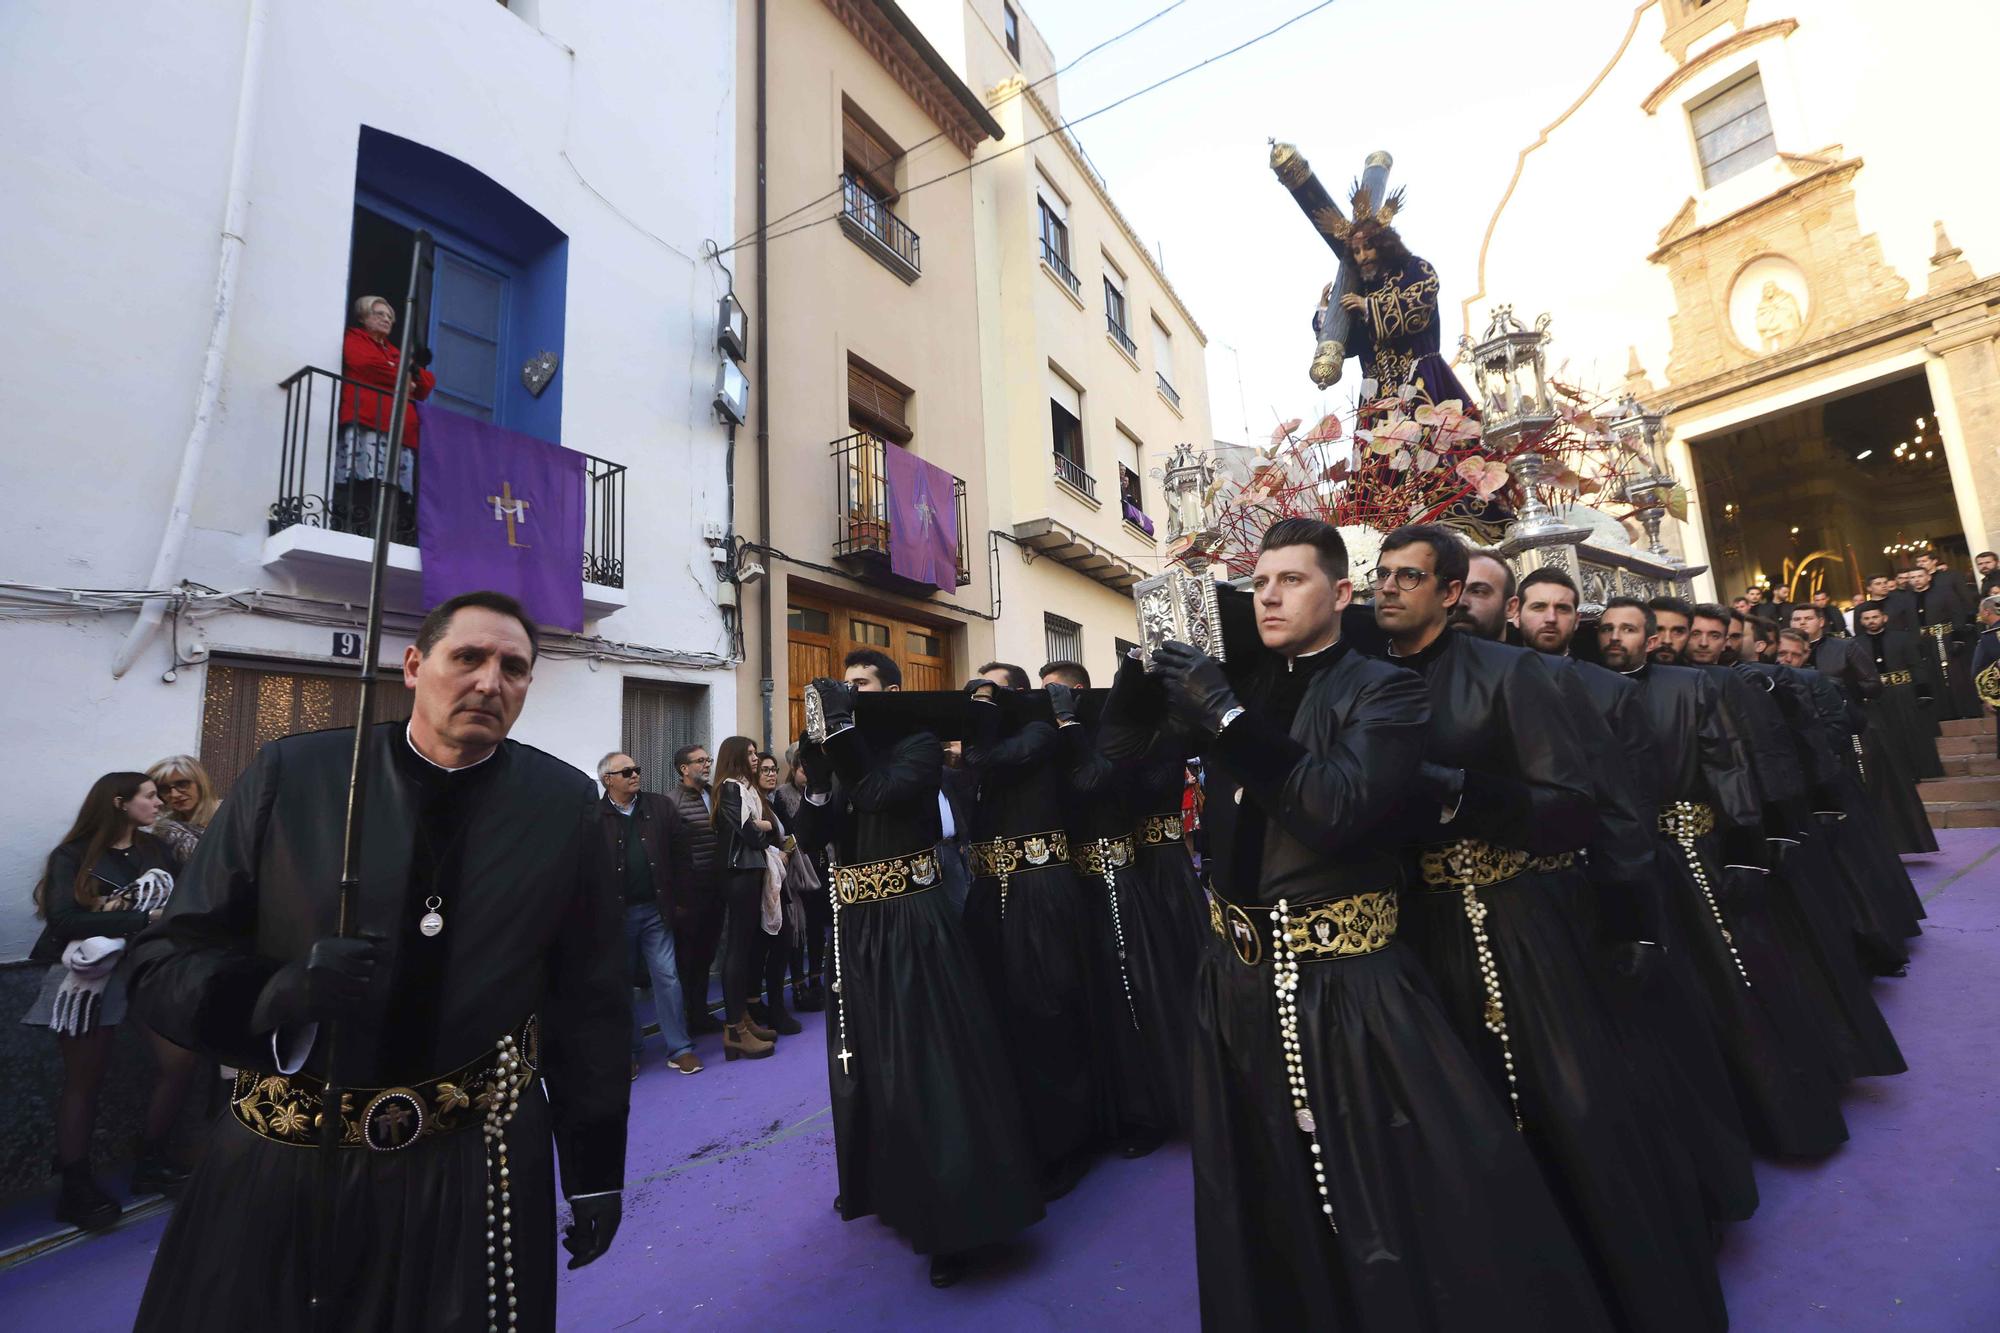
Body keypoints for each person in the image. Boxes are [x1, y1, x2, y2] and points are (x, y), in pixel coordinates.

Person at [1134, 518, 1607, 1329]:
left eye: (1293, 580)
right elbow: (1122, 766)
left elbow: (1336, 809)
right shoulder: (1259, 682)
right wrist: (1147, 680)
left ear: (1341, 593)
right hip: (1236, 978)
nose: (1270, 596)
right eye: (1260, 583)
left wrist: (1224, 713)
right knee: (1259, 1182)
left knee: (1395, 1189)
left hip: (1353, 981)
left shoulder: (1386, 688)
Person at [128, 590, 627, 1330]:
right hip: (286, 1163)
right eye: (469, 658)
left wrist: (592, 1176)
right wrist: (276, 994)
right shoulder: (293, 775)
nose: (491, 681)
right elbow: (165, 959)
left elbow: (588, 997)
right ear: (415, 665)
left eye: (514, 667)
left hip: (474, 1168)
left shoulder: (563, 803)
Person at [1375, 531, 1722, 1332]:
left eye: (1408, 576)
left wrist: (1459, 792)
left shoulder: (1512, 673)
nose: (1388, 589)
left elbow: (1574, 806)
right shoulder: (1366, 682)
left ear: (1453, 590)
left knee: (1568, 1107)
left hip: (1521, 925)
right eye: (1380, 575)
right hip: (1414, 940)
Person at [794, 649, 1044, 1287]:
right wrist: (817, 777)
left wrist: (842, 734)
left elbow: (880, 793)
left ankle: (956, 1225)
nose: (847, 694)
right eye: (843, 686)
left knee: (928, 1064)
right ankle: (886, 1186)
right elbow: (812, 827)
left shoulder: (918, 742)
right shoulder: (839, 749)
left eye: (861, 686)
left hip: (911, 920)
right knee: (868, 1062)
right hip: (854, 927)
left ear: (889, 691)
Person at [1514, 570, 1758, 1224]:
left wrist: (1636, 900)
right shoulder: (1485, 681)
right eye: (1538, 606)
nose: (1550, 618)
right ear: (1516, 612)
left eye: (1564, 608)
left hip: (1600, 883)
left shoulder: (1606, 691)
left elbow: (1631, 805)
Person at [1602, 599, 1849, 1159]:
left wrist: (1744, 849)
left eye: (1659, 629)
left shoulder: (1692, 687)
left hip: (1693, 857)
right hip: (1626, 864)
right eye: (1620, 628)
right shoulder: (1585, 685)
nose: (1655, 638)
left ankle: (1776, 1117)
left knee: (1729, 976)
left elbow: (1729, 764)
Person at [21, 772, 199, 1230]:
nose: (159, 803)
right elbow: (63, 918)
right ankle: (75, 1185)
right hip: (87, 973)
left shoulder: (154, 850)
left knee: (178, 1060)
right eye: (149, 796)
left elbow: (180, 903)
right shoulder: (73, 854)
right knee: (85, 1080)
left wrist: (122, 913)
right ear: (120, 802)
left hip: (145, 965)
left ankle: (150, 1159)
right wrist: (144, 916)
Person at [962, 662, 1105, 1199]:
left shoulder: (1041, 733)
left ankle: (1068, 1145)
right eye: (977, 689)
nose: (981, 698)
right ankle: (1017, 1135)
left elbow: (985, 758)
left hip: (1041, 891)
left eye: (992, 689)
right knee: (997, 1016)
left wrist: (979, 716)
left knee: (1048, 1012)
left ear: (1021, 696)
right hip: (987, 890)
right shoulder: (992, 734)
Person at [597, 752, 701, 1080]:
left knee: (667, 978)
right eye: (625, 771)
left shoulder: (658, 807)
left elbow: (682, 853)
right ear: (607, 780)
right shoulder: (593, 816)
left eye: (636, 769)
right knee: (621, 984)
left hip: (657, 910)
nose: (634, 775)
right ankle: (627, 1051)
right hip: (616, 916)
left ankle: (680, 1049)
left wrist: (682, 900)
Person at [336, 295, 435, 544]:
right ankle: (358, 529)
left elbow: (426, 384)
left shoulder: (394, 352)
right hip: (367, 422)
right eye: (379, 314)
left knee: (394, 487)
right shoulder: (355, 338)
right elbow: (365, 363)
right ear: (363, 317)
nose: (385, 319)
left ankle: (390, 534)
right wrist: (405, 379)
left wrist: (407, 376)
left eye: (389, 317)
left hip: (400, 431)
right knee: (365, 478)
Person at [712, 737, 784, 1059]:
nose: (755, 758)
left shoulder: (745, 789)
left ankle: (743, 1019)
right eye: (751, 753)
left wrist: (763, 826)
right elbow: (752, 835)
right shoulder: (731, 788)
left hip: (749, 871)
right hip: (739, 874)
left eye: (757, 752)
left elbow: (762, 832)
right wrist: (766, 826)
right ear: (737, 756)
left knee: (746, 947)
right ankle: (734, 1030)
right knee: (738, 951)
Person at [669, 743, 725, 1036]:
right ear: (684, 768)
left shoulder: (714, 794)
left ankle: (701, 1013)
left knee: (706, 954)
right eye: (700, 761)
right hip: (691, 892)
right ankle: (685, 1018)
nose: (707, 765)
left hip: (717, 887)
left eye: (708, 760)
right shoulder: (672, 802)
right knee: (687, 958)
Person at [1854, 602, 1945, 779]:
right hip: (1874, 696)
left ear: (1884, 618)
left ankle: (1922, 770)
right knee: (1886, 735)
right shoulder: (1855, 644)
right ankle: (1898, 775)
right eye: (1867, 619)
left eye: (1875, 617)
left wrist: (1923, 691)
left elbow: (1917, 666)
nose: (1871, 621)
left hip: (1903, 692)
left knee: (1911, 732)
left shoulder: (1902, 638)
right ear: (1861, 622)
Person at [770, 749, 829, 1013]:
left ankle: (817, 979)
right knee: (798, 929)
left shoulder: (825, 790)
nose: (807, 773)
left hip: (823, 867)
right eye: (803, 768)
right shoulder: (784, 795)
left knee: (817, 928)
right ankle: (798, 984)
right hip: (798, 870)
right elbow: (793, 830)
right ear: (794, 769)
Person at [754, 753, 804, 1035]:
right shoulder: (753, 802)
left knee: (783, 943)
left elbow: (793, 833)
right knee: (769, 945)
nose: (771, 774)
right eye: (764, 770)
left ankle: (775, 1006)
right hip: (763, 884)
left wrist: (786, 849)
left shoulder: (774, 802)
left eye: (774, 769)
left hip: (781, 881)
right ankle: (767, 1007)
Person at [1911, 563, 1982, 718]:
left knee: (1955, 675)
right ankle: (1945, 712)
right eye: (1913, 577)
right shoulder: (1908, 599)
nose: (1916, 580)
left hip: (1945, 638)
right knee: (1933, 676)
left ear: (1928, 577)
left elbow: (1957, 614)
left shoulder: (1943, 592)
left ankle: (1966, 710)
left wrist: (1957, 638)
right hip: (1925, 643)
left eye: (1919, 576)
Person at [147, 755, 220, 869]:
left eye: (182, 784)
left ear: (200, 782)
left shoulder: (234, 813)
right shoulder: (167, 829)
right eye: (164, 789)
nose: (175, 794)